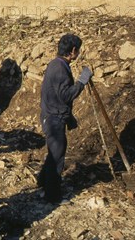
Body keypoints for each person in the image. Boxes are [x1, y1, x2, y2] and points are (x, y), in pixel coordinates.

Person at [38, 33, 92, 203]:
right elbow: (65, 95)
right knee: (57, 158)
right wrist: (82, 81)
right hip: (54, 120)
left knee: (54, 153)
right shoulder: (60, 68)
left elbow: (55, 96)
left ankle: (42, 182)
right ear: (73, 50)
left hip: (51, 115)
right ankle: (52, 196)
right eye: (78, 50)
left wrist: (69, 117)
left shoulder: (55, 64)